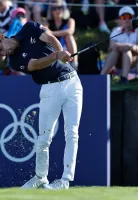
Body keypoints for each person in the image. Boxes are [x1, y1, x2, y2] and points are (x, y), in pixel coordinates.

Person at [0, 21, 83, 189]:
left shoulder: (29, 27)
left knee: (72, 133)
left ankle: (65, 180)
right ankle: (40, 177)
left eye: (0, 48)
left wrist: (60, 51)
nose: (3, 53)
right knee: (43, 138)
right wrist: (55, 56)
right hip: (49, 88)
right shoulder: (14, 62)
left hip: (72, 82)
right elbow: (35, 64)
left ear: (1, 37)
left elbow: (51, 38)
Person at [101, 6, 138, 83]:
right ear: (120, 20)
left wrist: (130, 47)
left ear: (133, 18)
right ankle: (101, 76)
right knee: (114, 52)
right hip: (119, 65)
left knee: (127, 51)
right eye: (123, 17)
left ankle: (124, 78)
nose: (127, 20)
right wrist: (120, 47)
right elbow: (111, 47)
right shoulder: (115, 31)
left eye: (129, 17)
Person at [47, 0, 78, 69]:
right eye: (54, 8)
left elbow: (70, 31)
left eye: (60, 7)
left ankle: (74, 65)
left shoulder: (70, 20)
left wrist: (52, 33)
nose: (57, 10)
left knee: (69, 37)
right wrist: (60, 33)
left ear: (64, 9)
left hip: (66, 47)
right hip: (53, 48)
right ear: (51, 11)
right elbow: (46, 33)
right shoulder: (47, 22)